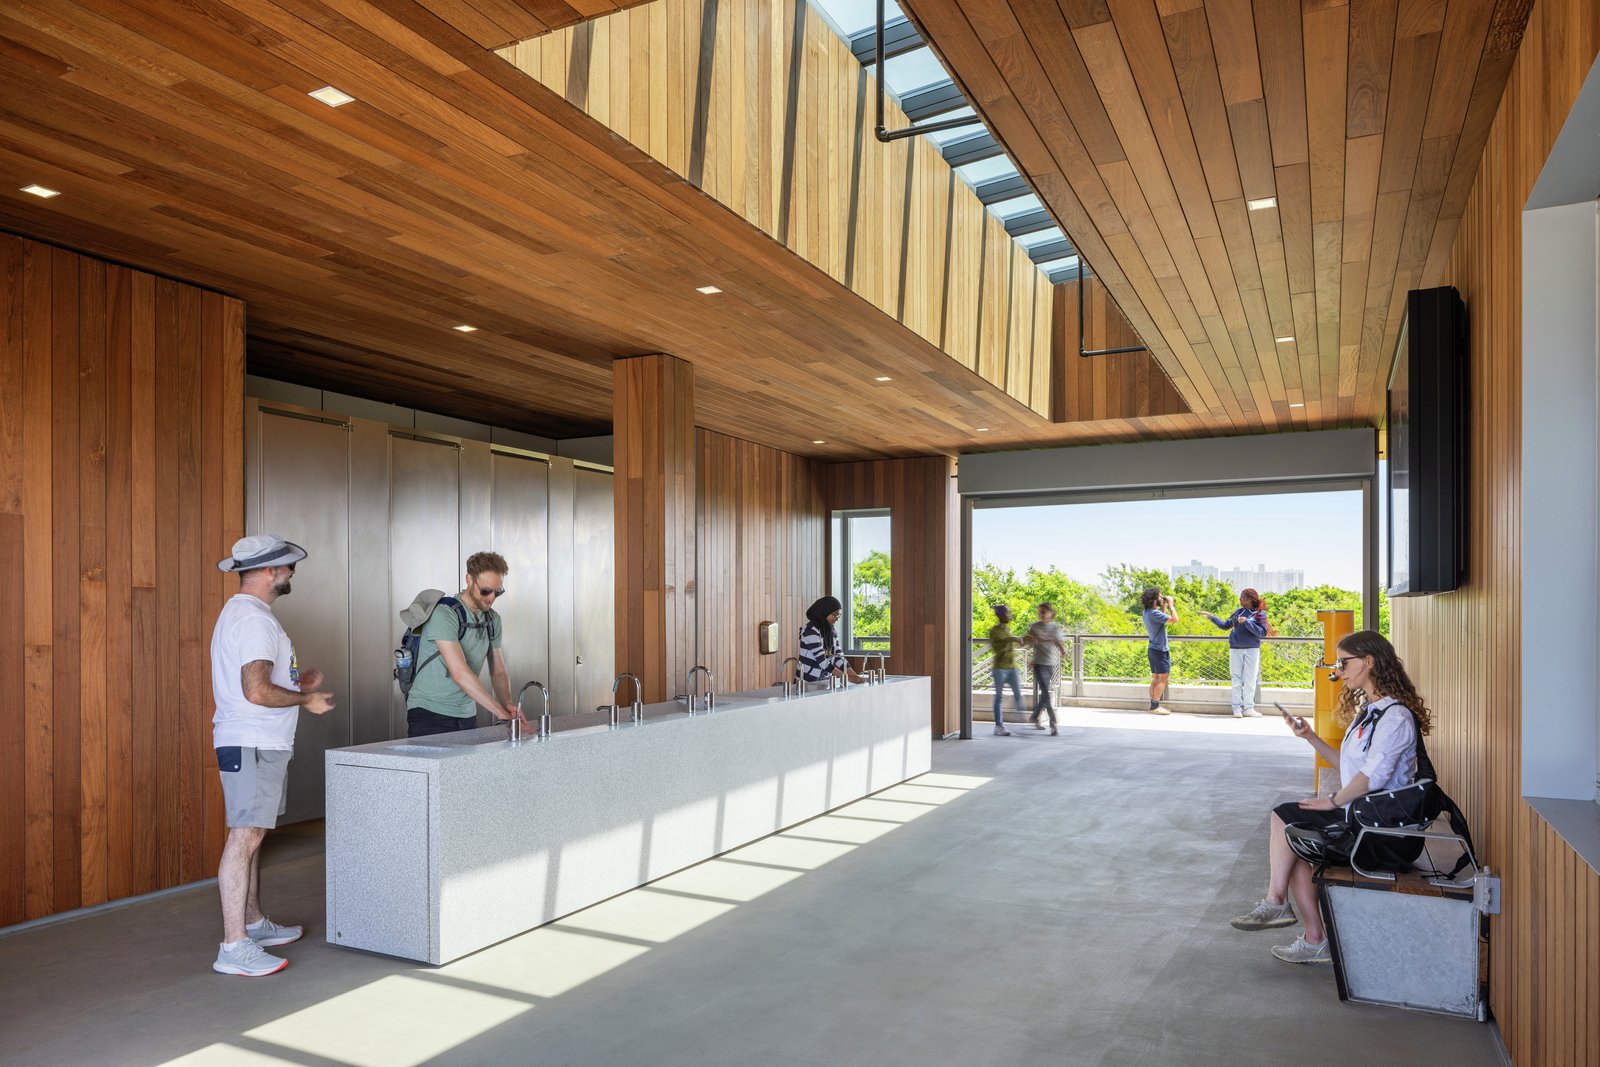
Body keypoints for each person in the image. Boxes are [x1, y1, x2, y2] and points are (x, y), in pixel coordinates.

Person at [1229, 630, 1430, 965]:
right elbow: (1350, 766)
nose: (1339, 669)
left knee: (1288, 824)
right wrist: (1310, 737)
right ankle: (1297, 920)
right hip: (1364, 817)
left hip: (1386, 832)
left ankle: (1292, 917)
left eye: (1344, 662)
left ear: (1369, 662)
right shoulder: (1371, 711)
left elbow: (1372, 778)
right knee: (1290, 831)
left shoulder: (1395, 717)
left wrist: (1333, 801)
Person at [209, 534, 336, 977]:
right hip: (253, 742)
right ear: (269, 572)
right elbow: (256, 690)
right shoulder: (252, 619)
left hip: (261, 742)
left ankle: (252, 923)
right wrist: (307, 702)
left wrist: (299, 685)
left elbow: (261, 683)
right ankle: (234, 945)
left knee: (254, 835)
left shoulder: (250, 615)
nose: (291, 573)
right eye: (286, 566)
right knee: (244, 837)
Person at [404, 551, 521, 737]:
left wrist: (507, 704)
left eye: (497, 592)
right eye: (485, 590)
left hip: (466, 715)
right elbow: (459, 673)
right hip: (429, 714)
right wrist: (500, 712)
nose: (491, 598)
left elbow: (498, 671)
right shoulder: (444, 614)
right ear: (469, 579)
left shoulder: (492, 620)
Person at [1204, 588, 1269, 717]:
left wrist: (1247, 623)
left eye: (1242, 598)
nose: (1240, 600)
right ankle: (1236, 708)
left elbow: (1262, 633)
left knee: (1250, 679)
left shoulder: (1259, 614)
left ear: (1250, 599)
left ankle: (1249, 708)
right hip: (1235, 649)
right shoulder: (1238, 612)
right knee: (1236, 678)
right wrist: (1212, 617)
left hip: (1252, 650)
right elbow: (1225, 625)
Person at [798, 596, 865, 688]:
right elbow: (822, 661)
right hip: (806, 682)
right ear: (824, 612)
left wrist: (855, 676)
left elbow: (838, 657)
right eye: (834, 614)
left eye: (838, 615)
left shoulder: (831, 631)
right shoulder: (809, 631)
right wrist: (848, 678)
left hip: (824, 681)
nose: (837, 618)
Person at [1022, 602, 1066, 735]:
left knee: (1045, 695)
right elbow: (1027, 642)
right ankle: (1053, 724)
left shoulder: (1054, 627)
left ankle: (1034, 716)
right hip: (1038, 665)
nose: (1042, 614)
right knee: (1046, 692)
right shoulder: (1034, 627)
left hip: (1050, 664)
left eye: (1045, 611)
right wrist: (1029, 658)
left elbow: (1057, 640)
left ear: (1051, 613)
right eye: (1040, 611)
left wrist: (1062, 649)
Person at [1140, 588, 1176, 716]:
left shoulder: (1147, 612)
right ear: (1154, 600)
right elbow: (1174, 619)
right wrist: (1171, 605)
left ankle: (1154, 705)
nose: (1162, 598)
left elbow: (1162, 620)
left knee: (1155, 678)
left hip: (1153, 649)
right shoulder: (1154, 613)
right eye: (1160, 597)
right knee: (1163, 679)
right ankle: (1155, 707)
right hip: (1161, 650)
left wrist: (1164, 606)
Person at [987, 605, 1021, 735]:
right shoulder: (994, 631)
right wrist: (1012, 639)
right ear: (1000, 615)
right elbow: (999, 647)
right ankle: (998, 726)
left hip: (1011, 667)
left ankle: (1020, 722)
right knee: (999, 697)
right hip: (1000, 668)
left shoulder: (1007, 629)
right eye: (1007, 613)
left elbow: (1009, 643)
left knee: (1018, 694)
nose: (1009, 615)